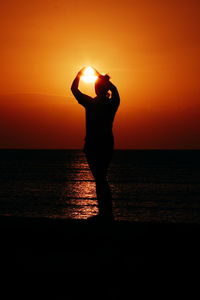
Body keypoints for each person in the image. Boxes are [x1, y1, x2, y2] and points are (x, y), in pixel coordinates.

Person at [71, 67, 120, 221]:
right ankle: (106, 213)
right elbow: (115, 90)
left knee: (100, 178)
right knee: (100, 178)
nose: (96, 87)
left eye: (97, 85)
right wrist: (103, 78)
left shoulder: (93, 103)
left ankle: (106, 214)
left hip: (96, 144)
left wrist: (79, 74)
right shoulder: (111, 103)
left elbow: (74, 88)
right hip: (102, 144)